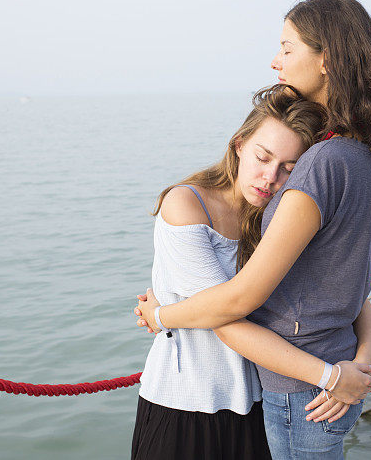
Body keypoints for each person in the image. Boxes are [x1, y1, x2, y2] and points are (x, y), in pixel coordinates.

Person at [135, 0, 371, 459]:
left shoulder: (323, 163)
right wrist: (354, 369)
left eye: (287, 47)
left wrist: (162, 316)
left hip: (290, 392)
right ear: (240, 146)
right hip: (216, 401)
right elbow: (345, 289)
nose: (275, 60)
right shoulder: (354, 154)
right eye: (263, 157)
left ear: (326, 59)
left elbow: (239, 303)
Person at [133, 85, 336, 460]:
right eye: (262, 157)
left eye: (288, 169)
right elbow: (225, 315)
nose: (270, 177)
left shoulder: (278, 220)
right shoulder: (186, 204)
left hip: (259, 406)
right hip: (182, 408)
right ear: (239, 145)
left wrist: (361, 367)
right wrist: (330, 377)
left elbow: (348, 293)